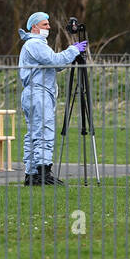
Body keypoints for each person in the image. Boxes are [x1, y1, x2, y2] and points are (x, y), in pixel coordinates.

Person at [17, 11, 87, 185]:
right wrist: (72, 50)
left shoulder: (37, 44)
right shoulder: (35, 44)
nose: (49, 27)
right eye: (44, 25)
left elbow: (54, 66)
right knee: (43, 132)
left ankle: (32, 173)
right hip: (38, 94)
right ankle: (43, 173)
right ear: (34, 26)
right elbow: (54, 61)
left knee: (34, 133)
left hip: (36, 93)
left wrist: (69, 56)